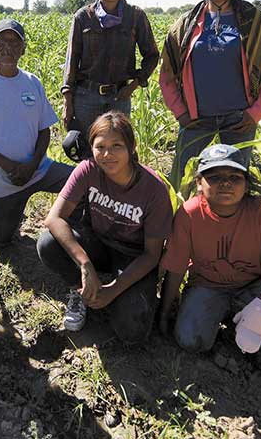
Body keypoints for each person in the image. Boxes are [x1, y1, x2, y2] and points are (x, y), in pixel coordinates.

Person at [37, 111, 172, 343]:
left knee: (133, 333)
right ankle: (80, 291)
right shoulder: (88, 169)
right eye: (100, 147)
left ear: (132, 147)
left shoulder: (154, 191)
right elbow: (54, 218)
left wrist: (114, 290)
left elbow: (152, 254)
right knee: (47, 243)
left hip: (133, 255)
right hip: (97, 243)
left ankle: (109, 295)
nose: (107, 155)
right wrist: (85, 264)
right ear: (92, 148)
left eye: (117, 145)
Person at [159, 144, 261, 354]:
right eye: (215, 177)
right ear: (199, 183)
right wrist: (164, 314)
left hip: (254, 287)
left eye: (235, 177)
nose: (226, 183)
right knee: (190, 340)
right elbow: (176, 268)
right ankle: (230, 317)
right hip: (208, 286)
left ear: (246, 185)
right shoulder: (189, 214)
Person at [159, 0, 261, 187]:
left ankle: (230, 223)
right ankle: (180, 220)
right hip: (196, 119)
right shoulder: (185, 24)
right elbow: (167, 74)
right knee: (180, 179)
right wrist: (181, 113)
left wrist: (254, 113)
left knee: (235, 181)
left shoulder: (253, 22)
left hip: (239, 118)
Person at [0, 19, 75, 244]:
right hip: (1, 182)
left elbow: (44, 130)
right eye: (2, 41)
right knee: (4, 238)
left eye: (15, 42)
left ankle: (69, 233)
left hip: (39, 170)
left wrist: (31, 165)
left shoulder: (32, 82)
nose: (8, 48)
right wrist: (8, 166)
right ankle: (9, 217)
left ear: (24, 49)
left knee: (83, 185)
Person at [61, 0, 160, 140]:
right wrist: (67, 100)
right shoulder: (83, 17)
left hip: (119, 97)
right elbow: (71, 60)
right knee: (87, 151)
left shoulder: (135, 16)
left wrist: (134, 85)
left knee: (117, 149)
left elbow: (152, 55)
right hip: (86, 97)